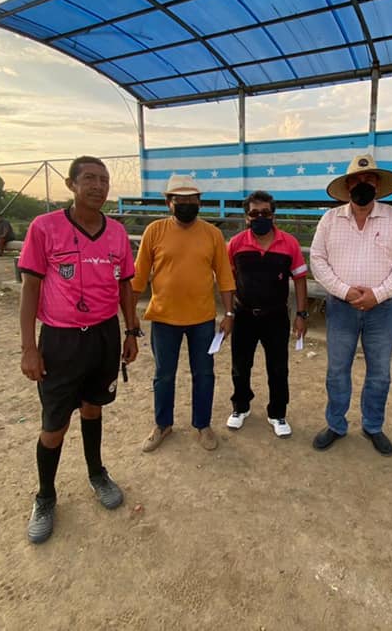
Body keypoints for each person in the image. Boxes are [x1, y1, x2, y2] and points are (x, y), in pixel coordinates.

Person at [17, 155, 139, 544]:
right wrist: (29, 348)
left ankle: (97, 473)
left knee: (93, 407)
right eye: (89, 178)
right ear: (71, 184)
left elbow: (126, 285)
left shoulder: (117, 233)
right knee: (54, 426)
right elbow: (30, 287)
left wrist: (131, 331)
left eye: (104, 179)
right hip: (60, 340)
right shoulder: (44, 227)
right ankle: (45, 497)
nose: (98, 186)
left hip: (104, 336)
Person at [309, 154, 392, 456]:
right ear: (347, 186)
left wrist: (378, 294)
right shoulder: (330, 219)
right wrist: (345, 291)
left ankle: (373, 425)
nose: (362, 184)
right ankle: (336, 424)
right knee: (337, 370)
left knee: (380, 373)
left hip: (381, 309)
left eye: (369, 179)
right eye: (356, 180)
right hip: (340, 307)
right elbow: (317, 259)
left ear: (378, 185)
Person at [131, 174, 236, 453]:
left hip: (202, 320)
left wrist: (229, 314)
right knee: (164, 375)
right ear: (169, 202)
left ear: (200, 203)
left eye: (192, 200)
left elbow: (225, 277)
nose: (186, 205)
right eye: (180, 200)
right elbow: (138, 277)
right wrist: (130, 316)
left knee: (204, 374)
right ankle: (162, 424)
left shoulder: (212, 234)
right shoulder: (154, 231)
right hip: (164, 318)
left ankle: (202, 425)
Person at [226, 190, 309, 438]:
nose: (260, 217)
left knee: (278, 368)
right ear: (246, 217)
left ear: (273, 215)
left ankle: (277, 413)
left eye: (265, 213)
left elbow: (300, 279)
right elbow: (227, 281)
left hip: (276, 316)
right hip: (244, 315)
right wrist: (229, 313)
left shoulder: (289, 243)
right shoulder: (235, 244)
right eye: (254, 213)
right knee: (240, 366)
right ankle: (241, 407)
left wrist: (301, 314)